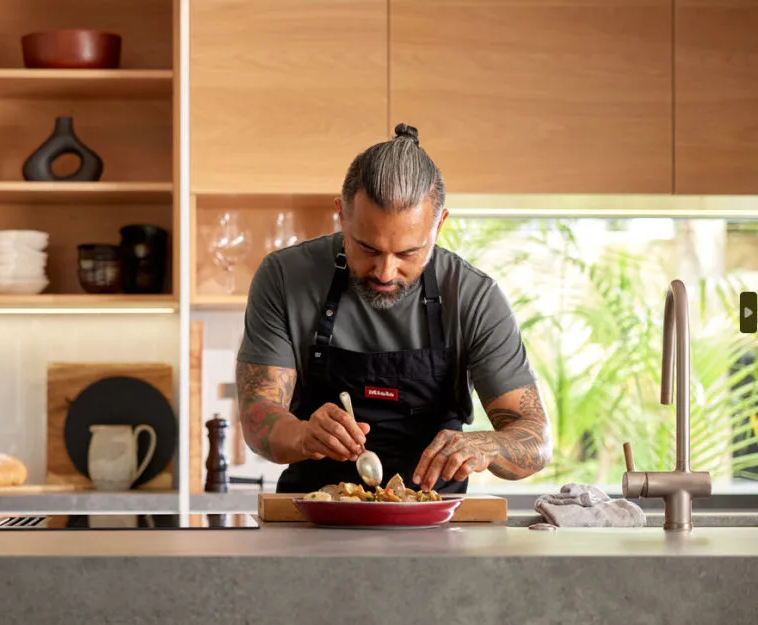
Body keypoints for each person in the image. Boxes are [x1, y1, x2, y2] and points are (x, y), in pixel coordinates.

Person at [235, 123, 553, 494]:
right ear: (342, 215)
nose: (385, 272)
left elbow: (536, 439)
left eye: (408, 252)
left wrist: (488, 446)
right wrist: (305, 434)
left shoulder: (473, 296)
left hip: (437, 528)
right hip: (311, 521)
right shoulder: (284, 278)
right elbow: (258, 420)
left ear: (440, 226)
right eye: (367, 248)